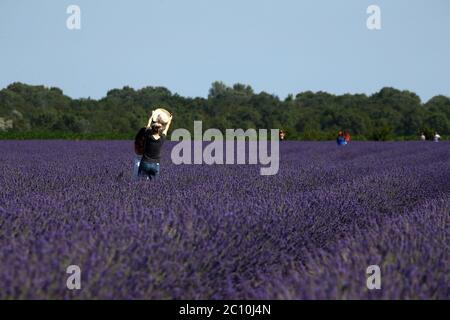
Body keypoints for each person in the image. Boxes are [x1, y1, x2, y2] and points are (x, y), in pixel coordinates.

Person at [135, 109, 173, 180]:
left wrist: (152, 115)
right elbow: (167, 128)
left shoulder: (148, 135)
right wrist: (170, 119)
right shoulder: (162, 138)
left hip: (145, 163)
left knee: (140, 183)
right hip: (156, 165)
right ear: (160, 130)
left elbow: (148, 124)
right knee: (154, 185)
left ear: (152, 129)